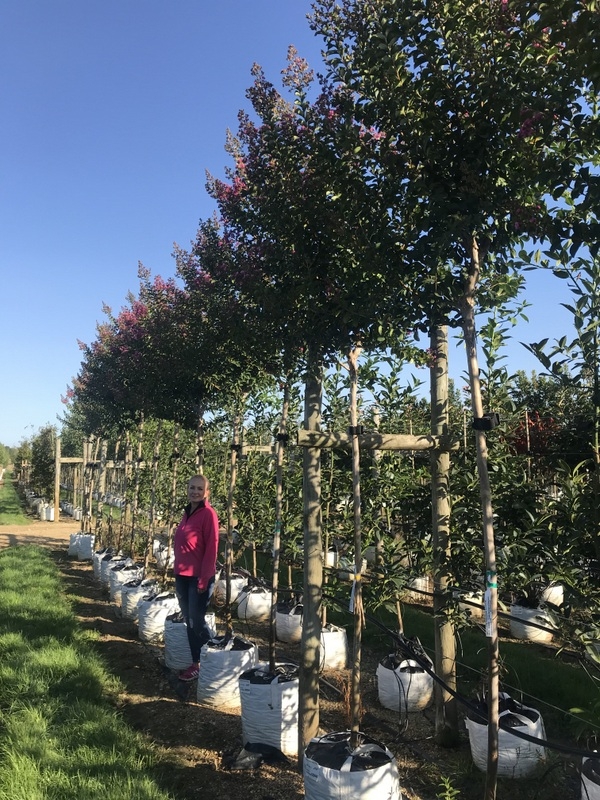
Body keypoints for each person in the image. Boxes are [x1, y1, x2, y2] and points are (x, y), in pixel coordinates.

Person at [173, 474, 220, 681]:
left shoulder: (208, 514)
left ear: (206, 492)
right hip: (182, 575)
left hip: (198, 578)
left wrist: (204, 579)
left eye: (200, 489)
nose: (195, 491)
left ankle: (212, 658)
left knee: (196, 622)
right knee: (190, 621)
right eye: (192, 487)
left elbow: (212, 548)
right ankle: (197, 662)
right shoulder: (187, 512)